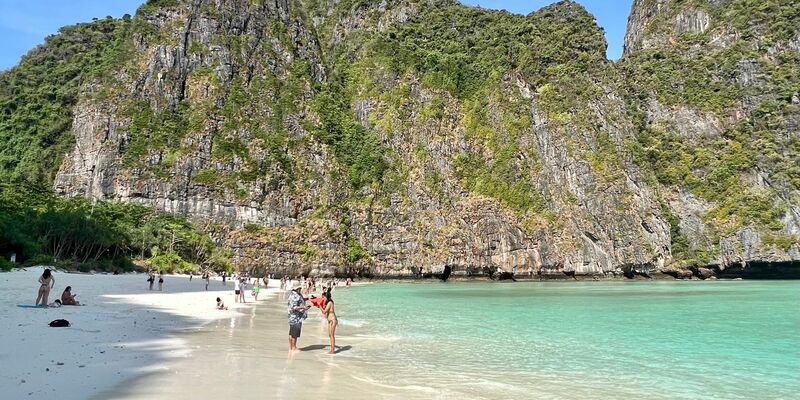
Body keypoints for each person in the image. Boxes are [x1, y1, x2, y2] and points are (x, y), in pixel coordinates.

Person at [287, 281, 310, 351]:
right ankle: (293, 347)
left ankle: (291, 347)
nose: (301, 289)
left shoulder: (296, 294)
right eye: (300, 287)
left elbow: (298, 302)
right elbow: (293, 307)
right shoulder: (295, 295)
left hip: (293, 317)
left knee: (292, 332)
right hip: (295, 317)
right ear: (297, 288)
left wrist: (307, 299)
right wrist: (304, 308)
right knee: (294, 333)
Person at [322, 290, 338, 354]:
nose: (323, 299)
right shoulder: (328, 303)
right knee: (330, 335)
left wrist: (319, 306)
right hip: (329, 320)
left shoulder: (330, 303)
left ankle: (333, 350)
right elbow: (325, 314)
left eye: (323, 297)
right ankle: (332, 348)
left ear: (326, 297)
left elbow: (324, 312)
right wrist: (322, 307)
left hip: (333, 320)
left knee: (332, 335)